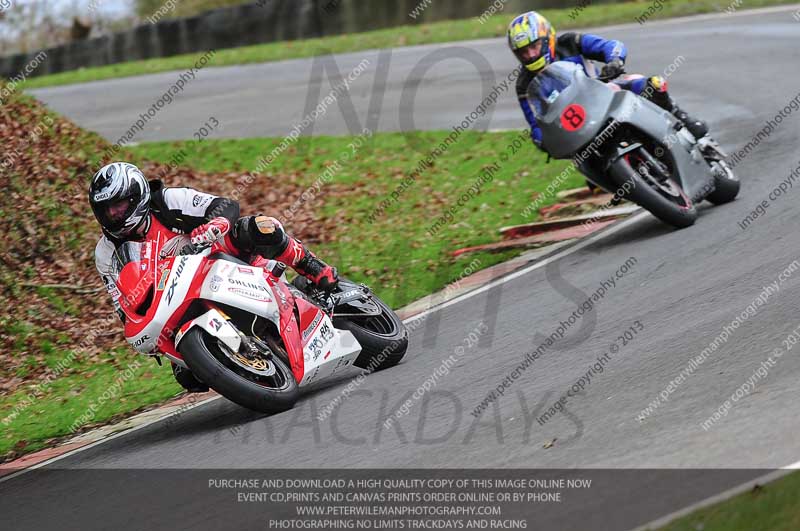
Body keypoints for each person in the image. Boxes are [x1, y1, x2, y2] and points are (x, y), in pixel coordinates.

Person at [89, 162, 338, 392]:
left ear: (137, 198)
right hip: (173, 301)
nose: (113, 215)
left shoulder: (167, 201)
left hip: (218, 257)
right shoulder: (105, 253)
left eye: (118, 206)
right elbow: (122, 304)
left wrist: (215, 224)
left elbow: (225, 206)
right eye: (106, 210)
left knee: (260, 227)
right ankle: (239, 357)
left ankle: (312, 266)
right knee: (189, 378)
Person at [508, 11, 709, 150]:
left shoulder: (570, 43)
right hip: (576, 126)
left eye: (534, 46)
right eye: (524, 52)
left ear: (547, 38)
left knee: (650, 83)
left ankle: (682, 119)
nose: (531, 55)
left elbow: (610, 45)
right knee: (583, 164)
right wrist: (541, 140)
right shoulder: (524, 84)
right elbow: (534, 122)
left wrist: (614, 60)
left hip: (604, 93)